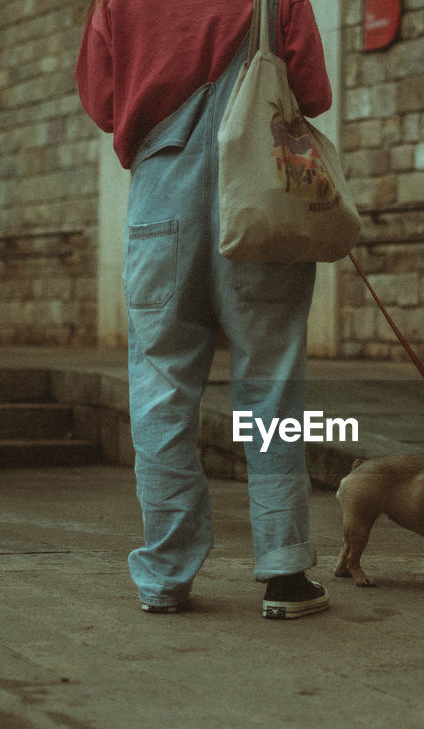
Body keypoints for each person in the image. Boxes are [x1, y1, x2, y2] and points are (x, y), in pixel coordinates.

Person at [76, 0, 333, 619]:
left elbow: (99, 101)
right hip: (258, 194)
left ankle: (165, 574)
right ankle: (284, 570)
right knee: (270, 385)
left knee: (161, 386)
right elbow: (313, 93)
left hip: (160, 198)